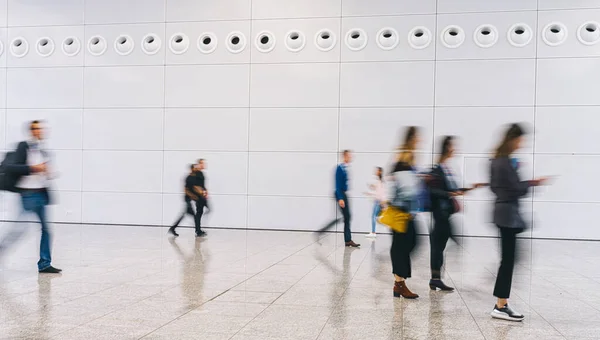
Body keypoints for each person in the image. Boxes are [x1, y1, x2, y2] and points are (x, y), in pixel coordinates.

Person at [489, 123, 549, 321]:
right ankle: (500, 305)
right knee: (508, 261)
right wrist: (532, 183)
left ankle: (501, 303)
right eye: (520, 140)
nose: (521, 143)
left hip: (502, 214)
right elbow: (515, 189)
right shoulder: (504, 162)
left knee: (508, 260)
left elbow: (496, 188)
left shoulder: (496, 160)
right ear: (513, 139)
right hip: (508, 216)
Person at [1, 120, 61, 273]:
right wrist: (34, 168)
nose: (40, 131)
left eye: (41, 128)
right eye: (36, 128)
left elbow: (46, 172)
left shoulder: (43, 151)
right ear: (31, 131)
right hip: (27, 195)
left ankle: (45, 264)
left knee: (46, 229)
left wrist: (48, 172)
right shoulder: (23, 146)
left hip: (41, 194)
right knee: (19, 229)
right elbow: (10, 167)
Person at [428, 136, 485, 291]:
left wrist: (471, 188)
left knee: (440, 246)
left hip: (446, 214)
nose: (455, 149)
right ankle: (435, 279)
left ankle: (436, 278)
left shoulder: (445, 169)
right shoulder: (437, 169)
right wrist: (451, 194)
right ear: (446, 148)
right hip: (440, 214)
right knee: (438, 246)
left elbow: (452, 190)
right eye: (452, 146)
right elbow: (435, 191)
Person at [388, 126, 421, 299]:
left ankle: (398, 284)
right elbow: (406, 188)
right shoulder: (403, 160)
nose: (420, 140)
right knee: (405, 244)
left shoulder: (408, 160)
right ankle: (399, 284)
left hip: (406, 211)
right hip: (401, 211)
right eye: (417, 138)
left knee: (404, 245)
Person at [317, 150, 360, 247]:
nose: (351, 157)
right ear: (344, 156)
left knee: (346, 217)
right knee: (345, 217)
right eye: (349, 156)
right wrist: (340, 198)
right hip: (340, 194)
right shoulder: (339, 168)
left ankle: (348, 240)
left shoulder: (345, 168)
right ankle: (321, 232)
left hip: (343, 194)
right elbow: (337, 184)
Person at [169, 164, 203, 237]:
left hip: (190, 200)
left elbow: (194, 187)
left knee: (185, 215)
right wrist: (193, 196)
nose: (196, 169)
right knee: (194, 216)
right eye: (195, 168)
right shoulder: (189, 178)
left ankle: (173, 228)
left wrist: (199, 191)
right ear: (192, 169)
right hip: (187, 200)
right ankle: (198, 231)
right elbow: (186, 190)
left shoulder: (194, 177)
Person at [365, 167, 385, 238]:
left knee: (374, 216)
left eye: (377, 171)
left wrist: (382, 203)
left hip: (378, 202)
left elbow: (380, 194)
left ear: (380, 172)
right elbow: (378, 191)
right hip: (378, 201)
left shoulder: (380, 182)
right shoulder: (379, 181)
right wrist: (371, 189)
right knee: (375, 216)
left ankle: (373, 232)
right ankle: (373, 232)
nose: (376, 172)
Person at [193, 159, 209, 237]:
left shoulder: (201, 173)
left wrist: (206, 191)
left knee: (200, 212)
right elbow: (195, 185)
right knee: (199, 213)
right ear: (199, 164)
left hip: (202, 196)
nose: (204, 165)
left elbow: (202, 185)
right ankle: (198, 230)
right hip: (199, 197)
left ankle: (198, 229)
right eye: (202, 163)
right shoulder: (196, 173)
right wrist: (201, 192)